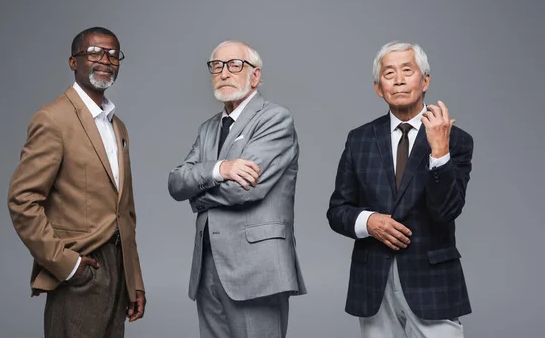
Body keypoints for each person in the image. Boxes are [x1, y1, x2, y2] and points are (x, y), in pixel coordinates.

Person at [327, 41, 473, 337]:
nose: (399, 79)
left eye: (407, 70)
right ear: (379, 88)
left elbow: (446, 211)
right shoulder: (359, 139)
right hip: (373, 283)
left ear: (425, 81)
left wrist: (439, 151)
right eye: (389, 73)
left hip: (433, 281)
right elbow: (337, 211)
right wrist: (368, 222)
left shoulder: (455, 140)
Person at [8, 27, 146, 338]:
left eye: (113, 54)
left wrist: (134, 280)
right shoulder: (53, 119)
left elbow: (126, 212)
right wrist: (69, 266)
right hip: (81, 269)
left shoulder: (117, 127)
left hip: (118, 268)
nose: (106, 61)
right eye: (95, 52)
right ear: (73, 62)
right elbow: (22, 200)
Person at [168, 40, 306, 338]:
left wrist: (198, 194)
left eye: (234, 65)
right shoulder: (208, 128)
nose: (224, 73)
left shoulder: (275, 119)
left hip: (257, 269)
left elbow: (244, 190)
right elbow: (177, 182)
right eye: (216, 66)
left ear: (255, 75)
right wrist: (221, 169)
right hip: (208, 268)